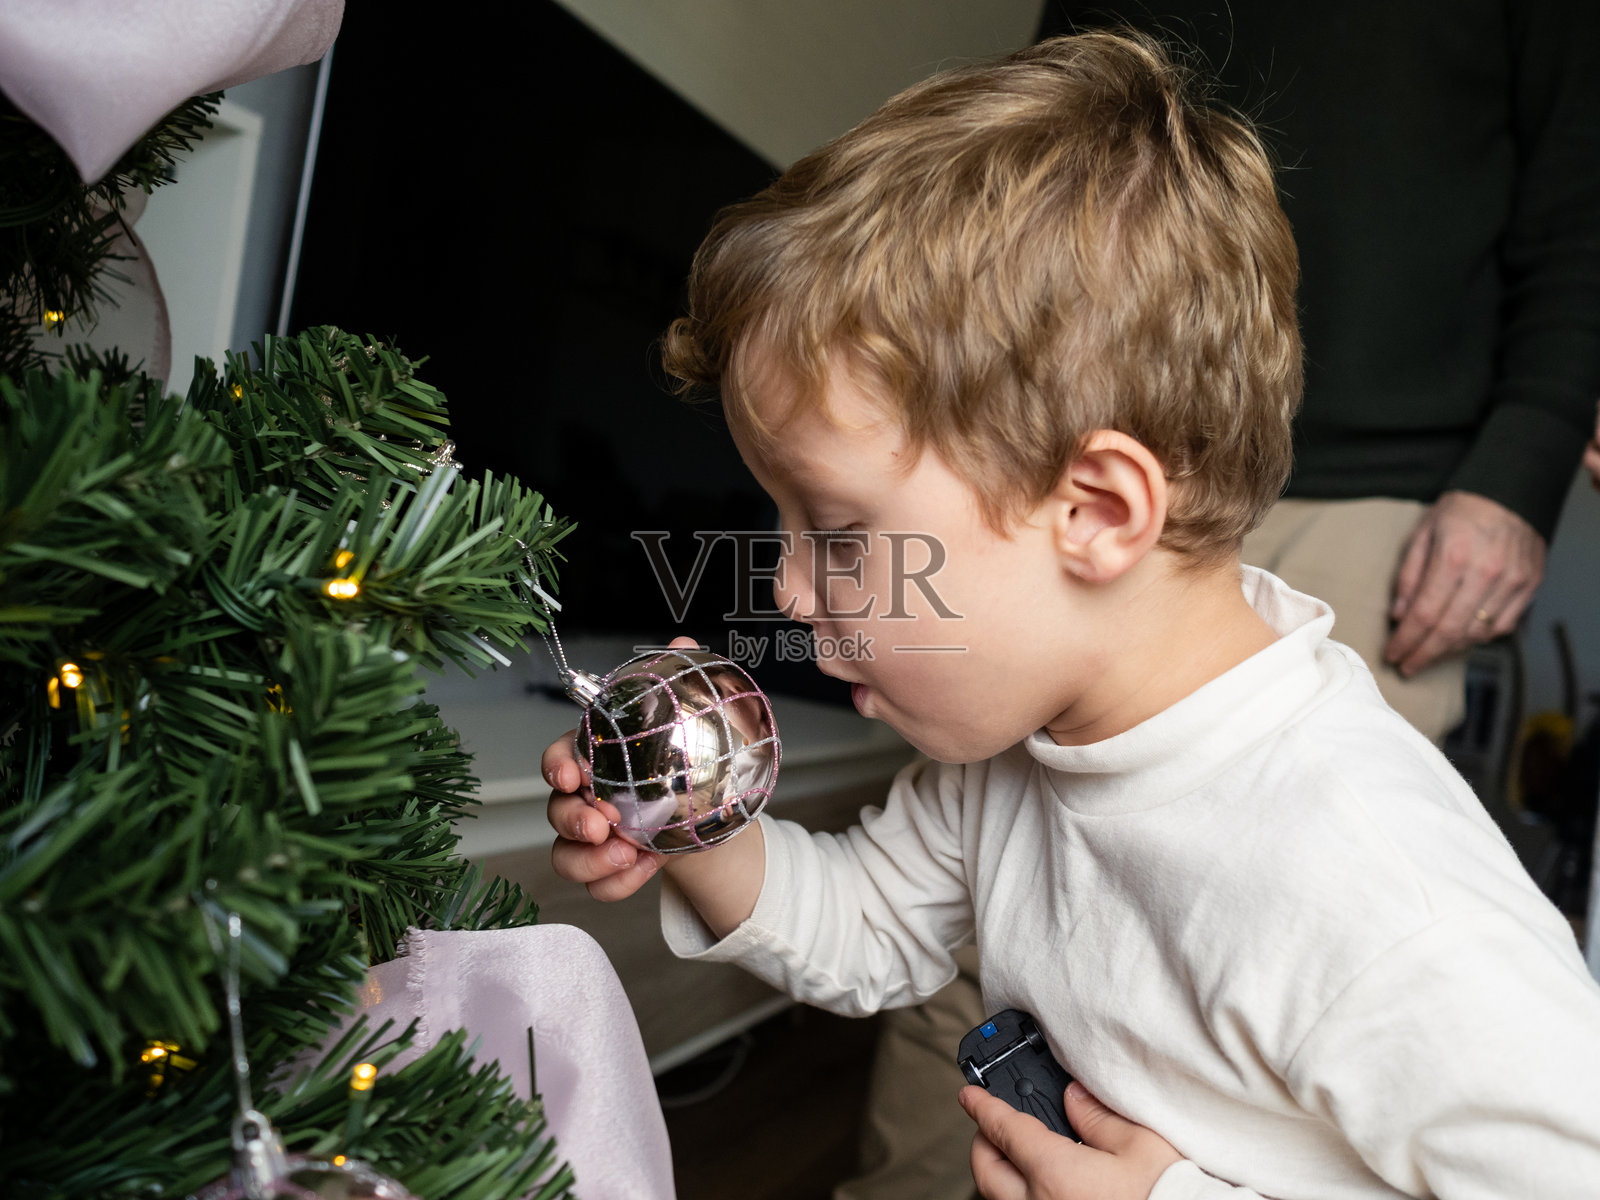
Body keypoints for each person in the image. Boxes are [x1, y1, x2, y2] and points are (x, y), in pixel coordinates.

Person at [543, 32, 1600, 1199]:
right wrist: (696, 824)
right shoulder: (1017, 755)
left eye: (837, 533)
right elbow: (865, 926)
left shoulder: (1369, 880)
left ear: (1095, 512)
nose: (785, 590)